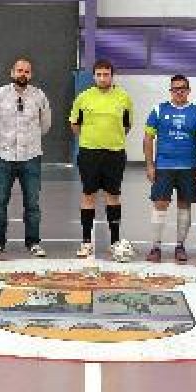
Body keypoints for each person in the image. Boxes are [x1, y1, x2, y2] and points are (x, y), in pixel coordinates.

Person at [69, 59, 135, 262]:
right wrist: (91, 139)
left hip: (114, 153)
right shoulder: (83, 97)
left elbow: (127, 125)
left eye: (106, 74)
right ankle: (86, 242)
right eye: (99, 74)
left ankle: (115, 242)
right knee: (88, 195)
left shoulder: (124, 98)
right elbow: (75, 124)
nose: (102, 78)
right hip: (89, 153)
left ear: (112, 76)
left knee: (112, 196)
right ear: (94, 76)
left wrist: (110, 138)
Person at [0, 57, 51, 257]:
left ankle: (33, 242)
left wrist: (30, 141)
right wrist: (4, 141)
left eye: (26, 71)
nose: (23, 74)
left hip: (31, 156)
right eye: (19, 71)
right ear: (12, 73)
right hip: (3, 156)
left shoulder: (39, 96)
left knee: (32, 202)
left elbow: (45, 125)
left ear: (30, 74)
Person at [143, 74, 196, 263]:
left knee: (184, 205)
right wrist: (149, 165)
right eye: (175, 89)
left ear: (188, 90)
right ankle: (156, 247)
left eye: (182, 88)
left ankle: (180, 246)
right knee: (160, 204)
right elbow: (148, 139)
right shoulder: (158, 110)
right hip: (163, 166)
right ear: (171, 91)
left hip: (188, 167)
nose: (179, 92)